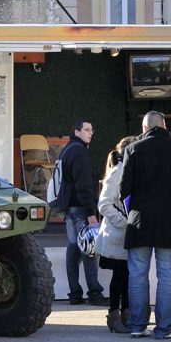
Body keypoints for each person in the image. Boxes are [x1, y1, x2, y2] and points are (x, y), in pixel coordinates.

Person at [119, 111, 171, 339]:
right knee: (168, 274)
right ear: (164, 125)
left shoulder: (133, 149)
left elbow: (124, 188)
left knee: (137, 274)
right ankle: (164, 328)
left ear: (144, 128)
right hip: (169, 221)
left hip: (139, 220)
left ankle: (137, 325)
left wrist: (132, 211)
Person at [51, 120, 105, 305]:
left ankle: (75, 293)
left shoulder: (68, 149)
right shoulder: (80, 152)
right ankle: (94, 292)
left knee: (74, 249)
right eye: (87, 130)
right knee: (89, 249)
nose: (91, 133)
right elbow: (84, 186)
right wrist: (91, 212)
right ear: (76, 131)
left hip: (70, 208)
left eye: (92, 129)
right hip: (81, 209)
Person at [97, 135, 137, 331]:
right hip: (117, 234)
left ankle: (126, 313)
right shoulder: (117, 172)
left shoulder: (128, 170)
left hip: (125, 233)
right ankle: (114, 316)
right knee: (119, 276)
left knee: (127, 275)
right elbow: (104, 204)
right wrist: (124, 223)